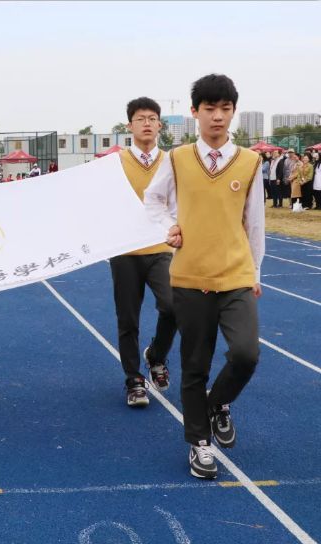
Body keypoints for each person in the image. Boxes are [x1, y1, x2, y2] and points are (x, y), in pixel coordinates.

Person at [145, 74, 264, 480]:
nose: (217, 116)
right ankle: (199, 443)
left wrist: (255, 271)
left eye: (225, 109)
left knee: (246, 354)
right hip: (190, 276)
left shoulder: (249, 162)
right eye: (209, 109)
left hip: (236, 276)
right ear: (194, 112)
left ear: (233, 112)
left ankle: (217, 403)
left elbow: (255, 223)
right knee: (194, 366)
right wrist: (168, 225)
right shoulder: (177, 159)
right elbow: (153, 199)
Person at [110, 97, 176, 407]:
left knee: (173, 307)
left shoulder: (173, 162)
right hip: (125, 250)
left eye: (152, 118)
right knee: (128, 319)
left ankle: (157, 355)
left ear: (160, 124)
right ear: (130, 126)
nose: (146, 123)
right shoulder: (114, 164)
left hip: (161, 248)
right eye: (140, 118)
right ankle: (134, 380)